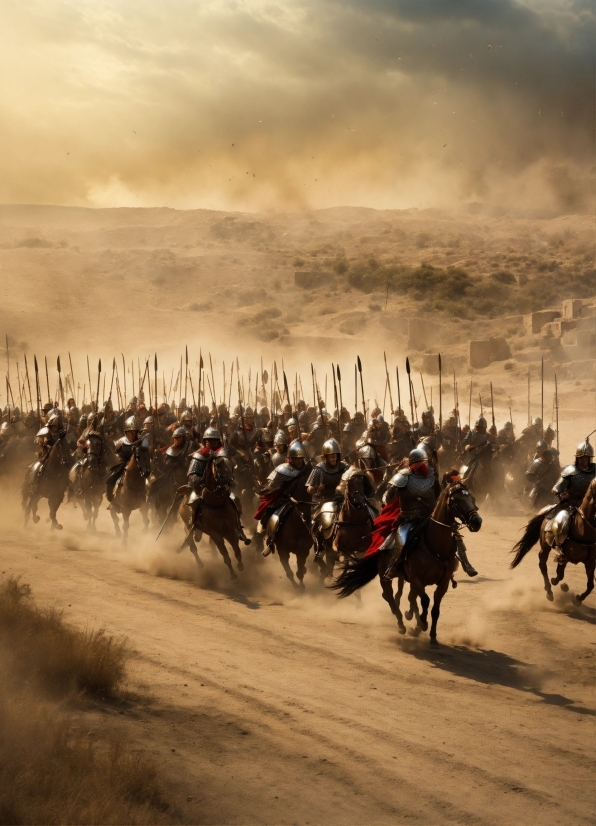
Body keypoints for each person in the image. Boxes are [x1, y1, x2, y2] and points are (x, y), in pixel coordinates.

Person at [383, 448, 477, 576]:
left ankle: (466, 563)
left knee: (454, 534)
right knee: (401, 538)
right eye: (420, 463)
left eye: (425, 463)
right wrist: (393, 488)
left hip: (429, 516)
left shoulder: (431, 475)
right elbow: (387, 499)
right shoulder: (402, 477)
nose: (423, 466)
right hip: (409, 518)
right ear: (413, 464)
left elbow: (439, 495)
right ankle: (393, 566)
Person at [254, 442, 311, 556]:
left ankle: (321, 542)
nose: (299, 461)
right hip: (284, 498)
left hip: (305, 500)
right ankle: (268, 537)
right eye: (296, 458)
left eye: (300, 458)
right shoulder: (283, 469)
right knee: (269, 511)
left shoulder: (308, 469)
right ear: (291, 459)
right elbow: (273, 485)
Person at [546, 438, 595, 551]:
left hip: (591, 504)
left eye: (586, 458)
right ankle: (560, 548)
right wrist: (556, 489)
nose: (584, 460)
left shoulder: (595, 470)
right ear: (577, 458)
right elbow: (559, 485)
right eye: (581, 458)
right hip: (571, 504)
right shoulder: (570, 470)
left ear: (590, 458)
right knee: (560, 523)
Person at [307, 439, 348, 559]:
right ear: (325, 457)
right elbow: (309, 489)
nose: (333, 458)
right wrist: (317, 488)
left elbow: (353, 475)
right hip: (325, 500)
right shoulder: (319, 469)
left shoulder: (344, 467)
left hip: (342, 499)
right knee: (317, 524)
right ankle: (320, 546)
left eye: (335, 456)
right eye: (331, 456)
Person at [106, 416, 146, 501]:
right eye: (128, 433)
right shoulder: (121, 442)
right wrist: (123, 462)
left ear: (137, 432)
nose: (130, 435)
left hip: (140, 464)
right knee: (112, 478)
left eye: (133, 433)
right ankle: (112, 499)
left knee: (150, 480)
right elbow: (116, 454)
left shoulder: (141, 441)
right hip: (123, 463)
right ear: (125, 433)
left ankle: (149, 499)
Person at [524, 441, 560, 510]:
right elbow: (528, 475)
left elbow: (557, 473)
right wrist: (537, 479)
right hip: (539, 486)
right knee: (532, 497)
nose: (541, 451)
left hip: (551, 486)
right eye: (539, 449)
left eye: (542, 449)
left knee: (558, 500)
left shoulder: (553, 461)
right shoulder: (536, 462)